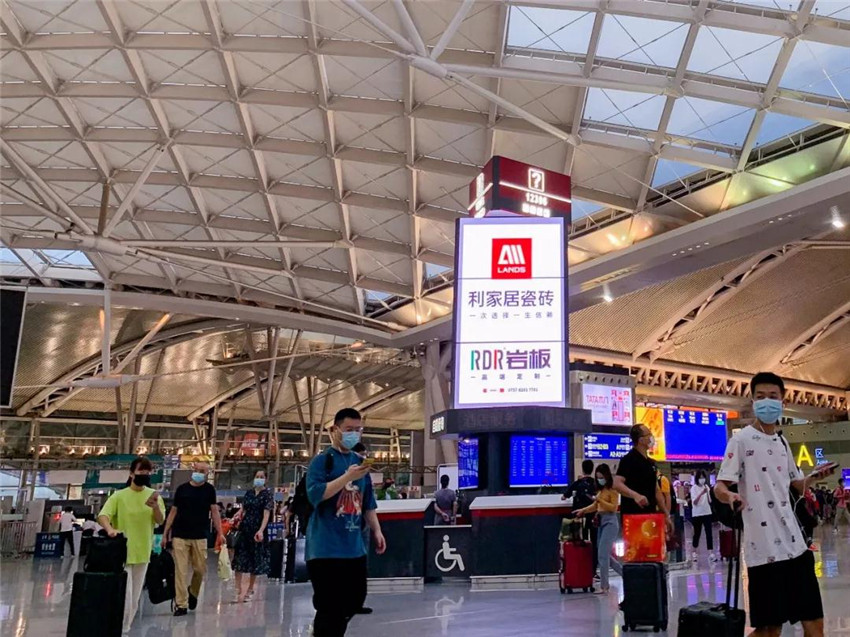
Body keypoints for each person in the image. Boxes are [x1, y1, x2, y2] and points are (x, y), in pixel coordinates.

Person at [715, 372, 836, 637]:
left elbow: (796, 485)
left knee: (815, 624)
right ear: (752, 401)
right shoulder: (740, 440)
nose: (767, 402)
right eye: (760, 397)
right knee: (770, 630)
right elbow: (720, 486)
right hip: (764, 549)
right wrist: (731, 496)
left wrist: (815, 477)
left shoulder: (782, 441)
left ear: (782, 401)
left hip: (795, 545)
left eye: (773, 396)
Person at [306, 408, 386, 637]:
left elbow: (367, 502)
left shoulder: (360, 463)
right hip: (325, 548)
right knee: (329, 606)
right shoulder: (322, 461)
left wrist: (377, 530)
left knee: (354, 600)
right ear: (335, 430)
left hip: (353, 547)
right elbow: (316, 495)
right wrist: (347, 477)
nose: (354, 434)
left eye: (358, 430)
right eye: (349, 429)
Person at [98, 456, 166, 634]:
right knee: (126, 595)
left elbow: (160, 521)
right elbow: (103, 515)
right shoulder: (119, 496)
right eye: (141, 471)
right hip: (122, 552)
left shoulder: (154, 496)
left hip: (143, 551)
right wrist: (110, 529)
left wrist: (155, 507)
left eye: (147, 472)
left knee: (135, 597)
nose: (144, 474)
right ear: (131, 473)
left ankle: (125, 627)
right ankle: (119, 628)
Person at [163, 462, 224, 616]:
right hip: (180, 535)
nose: (199, 473)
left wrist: (220, 532)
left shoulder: (209, 490)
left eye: (202, 471)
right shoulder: (182, 489)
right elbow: (173, 511)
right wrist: (165, 533)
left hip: (200, 535)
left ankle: (193, 592)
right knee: (181, 571)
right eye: (197, 470)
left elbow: (214, 512)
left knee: (200, 569)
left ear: (207, 473)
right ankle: (181, 604)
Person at [573, 463, 619, 595]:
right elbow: (595, 506)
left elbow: (613, 507)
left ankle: (604, 586)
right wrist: (583, 510)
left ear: (607, 476)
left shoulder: (612, 490)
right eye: (598, 477)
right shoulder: (601, 490)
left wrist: (599, 500)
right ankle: (625, 574)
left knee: (603, 555)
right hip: (601, 522)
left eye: (601, 477)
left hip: (610, 522)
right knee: (604, 555)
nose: (599, 480)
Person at [614, 424, 671, 526]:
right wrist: (635, 495)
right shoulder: (629, 460)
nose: (652, 437)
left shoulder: (650, 463)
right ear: (641, 440)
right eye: (649, 434)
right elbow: (617, 483)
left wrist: (666, 515)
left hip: (651, 516)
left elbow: (656, 491)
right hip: (633, 517)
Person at [232, 470, 273, 603]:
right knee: (239, 558)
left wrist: (261, 530)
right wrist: (238, 514)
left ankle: (250, 589)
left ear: (266, 479)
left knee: (254, 559)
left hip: (257, 531)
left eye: (261, 477)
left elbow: (266, 514)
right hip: (245, 529)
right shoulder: (249, 493)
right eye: (257, 476)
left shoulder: (267, 495)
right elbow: (243, 508)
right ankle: (237, 589)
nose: (259, 479)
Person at [562, 460, 598, 572]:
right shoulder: (595, 484)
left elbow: (564, 497)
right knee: (594, 542)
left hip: (579, 518)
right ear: (592, 469)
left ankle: (581, 568)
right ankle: (593, 570)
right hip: (593, 517)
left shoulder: (577, 483)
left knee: (580, 542)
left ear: (582, 469)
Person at [689, 470, 716, 563]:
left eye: (703, 477)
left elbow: (710, 500)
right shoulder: (694, 488)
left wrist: (708, 493)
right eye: (700, 477)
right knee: (697, 533)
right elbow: (695, 502)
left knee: (709, 533)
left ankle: (711, 553)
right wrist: (701, 493)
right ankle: (694, 552)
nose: (702, 479)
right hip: (697, 514)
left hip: (707, 512)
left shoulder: (706, 487)